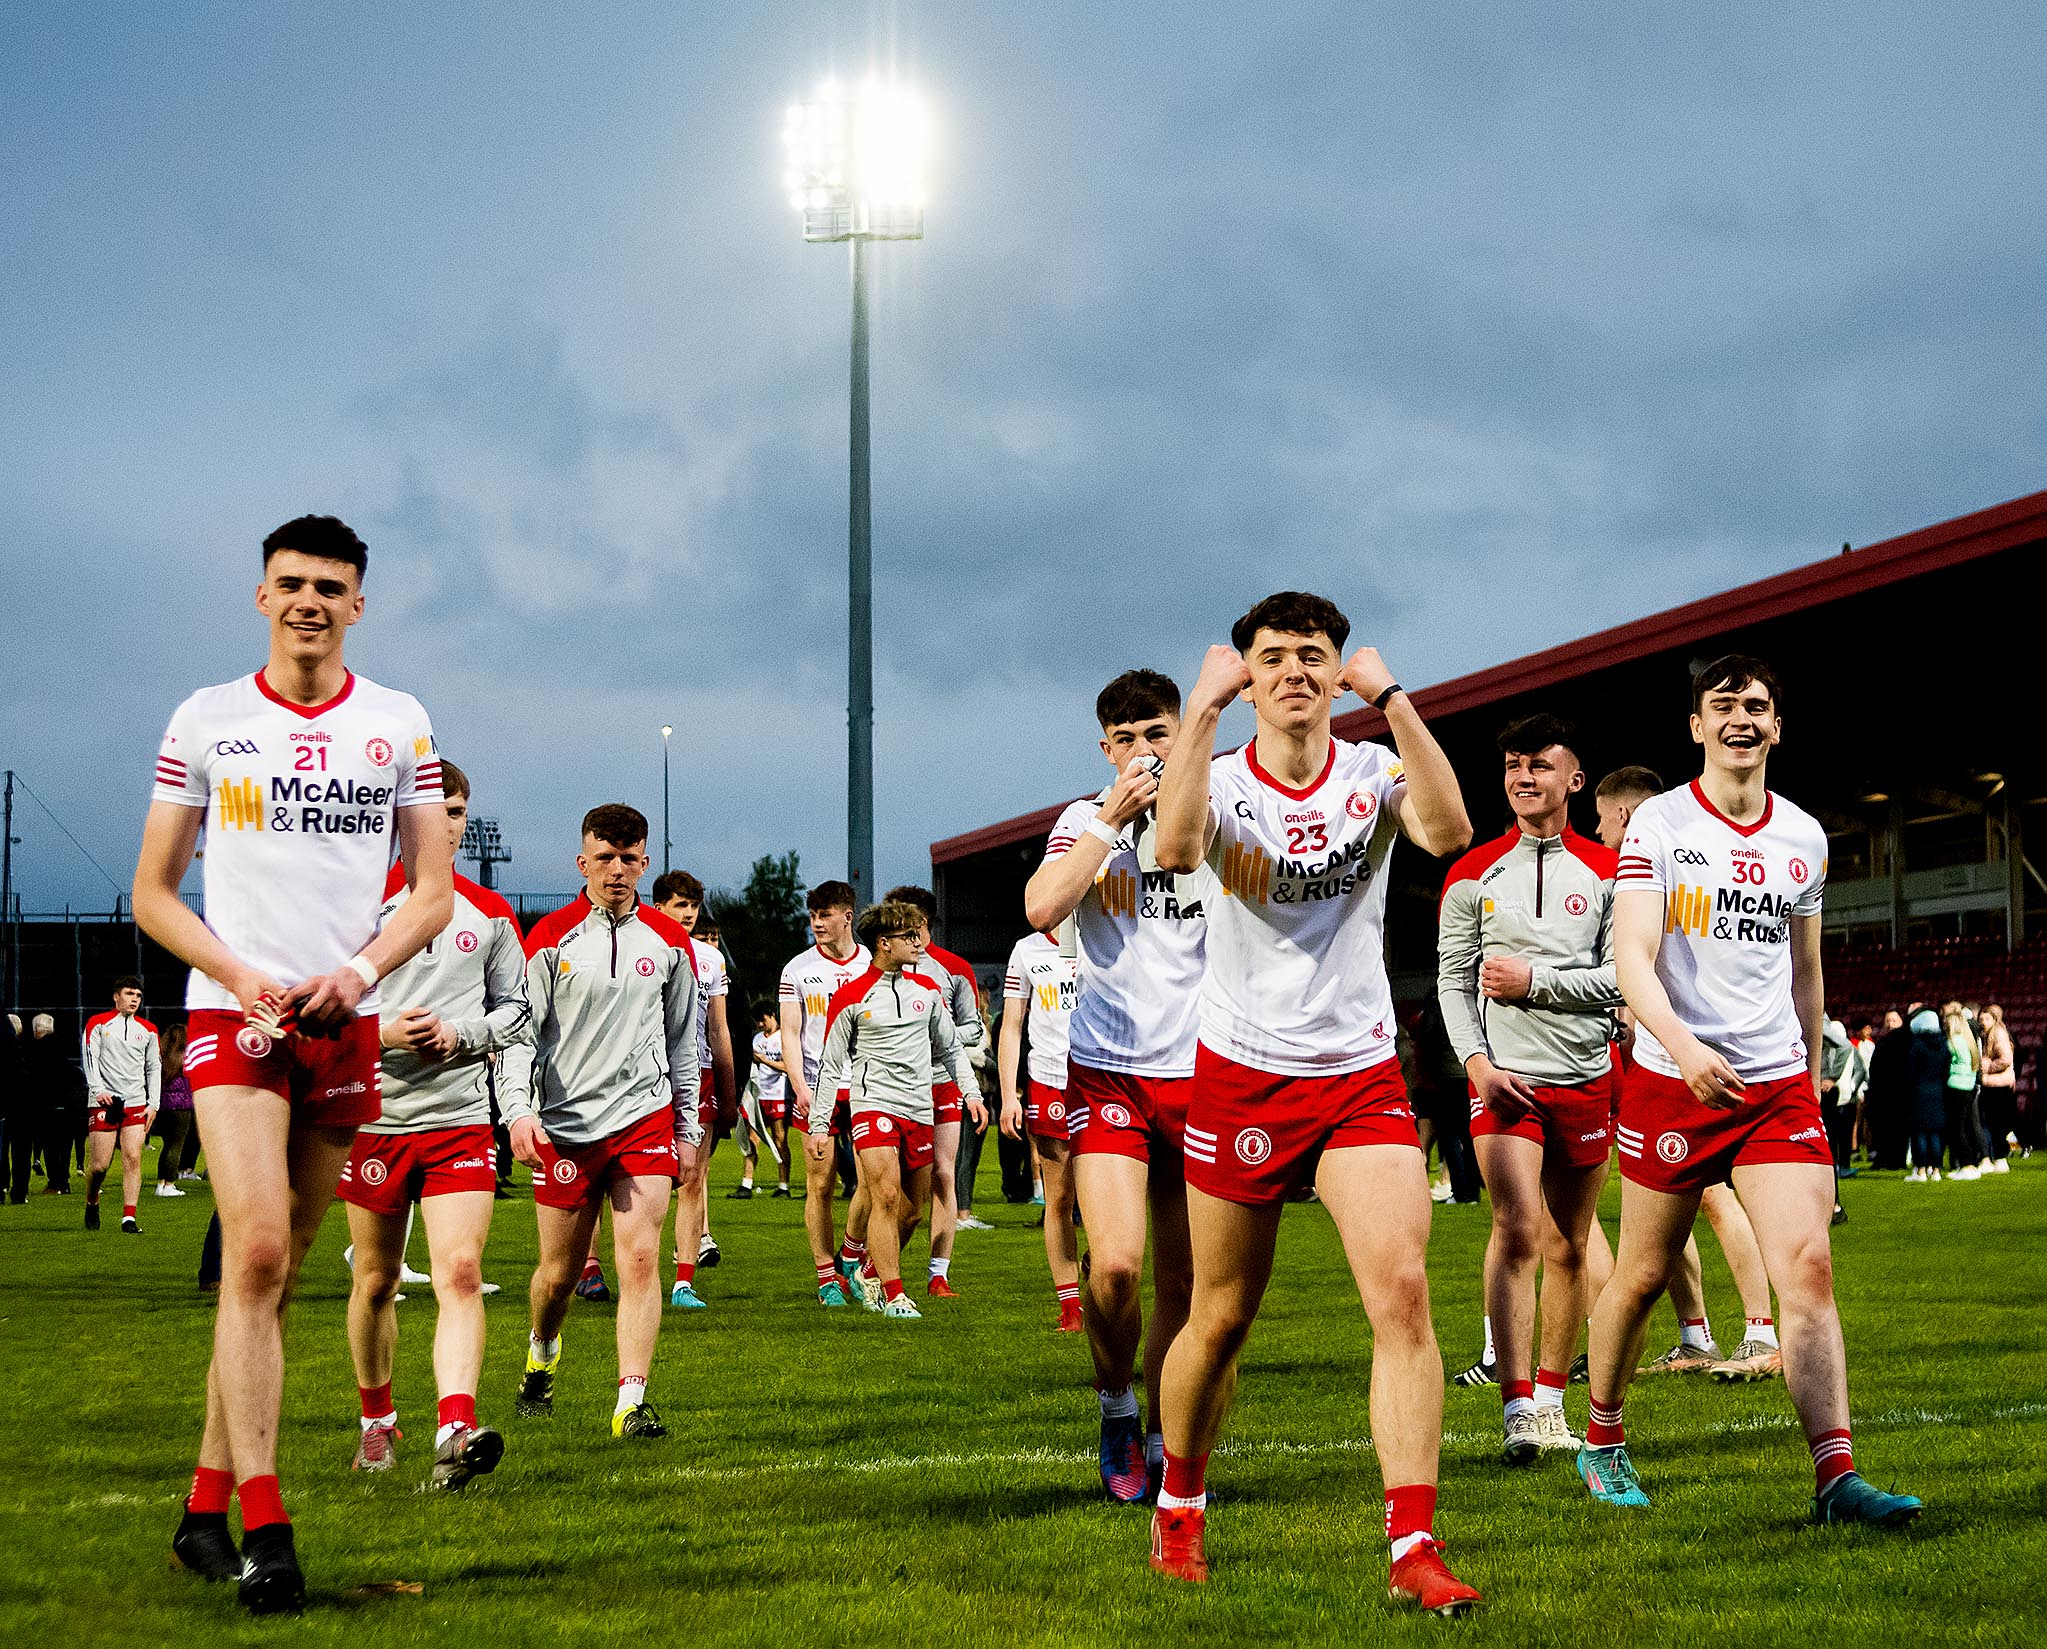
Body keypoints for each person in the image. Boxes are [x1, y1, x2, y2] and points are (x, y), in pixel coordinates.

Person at [134, 513, 454, 1612]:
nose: (309, 599)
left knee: (272, 1274)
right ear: (260, 596)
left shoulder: (398, 722)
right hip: (236, 1016)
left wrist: (358, 974)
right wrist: (238, 971)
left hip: (342, 1020)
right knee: (258, 1248)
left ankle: (201, 1504)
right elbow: (154, 892)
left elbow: (430, 892)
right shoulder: (207, 719)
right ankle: (268, 1525)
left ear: (358, 602)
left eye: (330, 585)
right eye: (290, 583)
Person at [1148, 592, 1481, 1612]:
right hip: (1242, 1069)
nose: (1295, 670)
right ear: (1245, 674)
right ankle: (1180, 1502)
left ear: (1339, 673)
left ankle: (1412, 1545)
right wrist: (1200, 711)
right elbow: (1170, 849)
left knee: (1405, 1295)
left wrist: (1393, 697)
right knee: (1220, 1314)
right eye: (1273, 656)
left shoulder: (1372, 769)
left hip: (1357, 1074)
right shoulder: (1220, 775)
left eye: (1315, 656)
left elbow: (1451, 829)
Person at [1580, 653, 1919, 1527]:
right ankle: (1602, 1435)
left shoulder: (1803, 835)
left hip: (1775, 1090)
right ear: (1695, 726)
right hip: (1670, 1081)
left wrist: (1806, 1084)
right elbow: (1631, 958)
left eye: (1757, 706)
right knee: (1645, 1273)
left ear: (1776, 727)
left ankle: (1836, 1477)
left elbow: (1806, 974)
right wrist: (1683, 1046)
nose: (1741, 717)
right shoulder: (1656, 825)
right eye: (1722, 704)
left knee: (1807, 1269)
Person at [1022, 667, 1212, 1504]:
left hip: (1207, 1072)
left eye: (1157, 734)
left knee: (1182, 1283)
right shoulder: (1081, 820)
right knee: (1118, 1271)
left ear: (1184, 734)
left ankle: (1169, 1438)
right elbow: (1039, 907)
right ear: (1106, 749)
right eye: (1126, 739)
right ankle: (1114, 1405)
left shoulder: (1221, 805)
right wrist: (1107, 820)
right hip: (1110, 1072)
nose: (1144, 751)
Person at [337, 759, 531, 1489]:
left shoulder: (490, 913)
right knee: (378, 1278)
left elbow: (516, 1012)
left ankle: (454, 1426)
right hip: (374, 1121)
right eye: (428, 809)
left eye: (454, 810)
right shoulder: (353, 910)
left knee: (460, 1271)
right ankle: (376, 1421)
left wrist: (463, 1037)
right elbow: (316, 1011)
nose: (442, 822)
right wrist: (381, 1033)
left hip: (458, 1120)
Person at [1437, 715, 1619, 1466]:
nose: (1522, 777)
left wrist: (1535, 982)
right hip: (1503, 1083)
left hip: (1583, 1077)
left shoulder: (1612, 871)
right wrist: (1476, 1064)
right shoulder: (1470, 872)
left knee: (1568, 1246)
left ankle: (1550, 1399)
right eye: (1513, 765)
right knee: (1515, 1227)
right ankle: (1516, 1407)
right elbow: (1452, 980)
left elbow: (1624, 979)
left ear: (1573, 779)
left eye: (1539, 765)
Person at [505, 804, 700, 1440]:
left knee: (641, 1257)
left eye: (629, 859)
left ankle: (630, 1402)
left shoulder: (671, 944)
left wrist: (689, 1128)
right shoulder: (548, 939)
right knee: (558, 1277)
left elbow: (682, 1043)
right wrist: (520, 1111)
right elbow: (519, 1036)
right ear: (582, 862)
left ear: (645, 863)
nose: (617, 871)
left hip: (645, 1116)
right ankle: (542, 1351)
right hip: (565, 1126)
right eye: (605, 858)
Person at [812, 901, 981, 1319]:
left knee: (912, 1215)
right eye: (908, 936)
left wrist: (972, 1093)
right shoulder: (851, 996)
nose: (917, 941)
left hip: (919, 1109)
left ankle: (865, 1268)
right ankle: (894, 1293)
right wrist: (820, 1124)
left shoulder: (927, 993)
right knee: (884, 1194)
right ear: (883, 944)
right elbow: (831, 1066)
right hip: (873, 1105)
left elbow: (953, 1050)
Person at [884, 883, 988, 1297]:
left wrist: (936, 1033)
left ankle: (937, 1273)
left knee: (944, 1174)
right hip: (891, 1086)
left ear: (921, 923)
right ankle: (863, 1258)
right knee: (890, 1184)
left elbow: (974, 1029)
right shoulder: (879, 965)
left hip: (941, 1082)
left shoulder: (953, 969)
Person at [778, 881, 872, 1305]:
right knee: (821, 1184)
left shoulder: (873, 962)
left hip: (869, 1086)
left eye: (826, 914)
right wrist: (800, 1086)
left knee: (875, 1182)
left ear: (847, 916)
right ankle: (826, 1277)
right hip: (819, 1089)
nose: (817, 922)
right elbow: (792, 1034)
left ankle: (851, 1253)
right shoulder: (797, 969)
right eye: (813, 915)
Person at [650, 871, 736, 1309]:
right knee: (638, 1181)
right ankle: (627, 1268)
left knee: (692, 1177)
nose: (687, 914)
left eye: (693, 906)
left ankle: (684, 1280)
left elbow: (718, 1028)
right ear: (659, 905)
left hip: (698, 1075)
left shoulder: (710, 959)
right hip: (645, 1076)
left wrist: (729, 1089)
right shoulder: (642, 943)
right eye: (679, 904)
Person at [999, 925, 1082, 1330]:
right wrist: (1009, 1096)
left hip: (1101, 1077)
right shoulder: (1027, 949)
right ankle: (1070, 1306)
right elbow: (1011, 1025)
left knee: (1105, 1196)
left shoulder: (1104, 932)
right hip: (1049, 1081)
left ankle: (1104, 1269)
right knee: (1060, 1197)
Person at [82, 977, 161, 1233]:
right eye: (129, 993)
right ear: (117, 997)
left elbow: (154, 1067)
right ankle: (92, 1199)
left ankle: (129, 1218)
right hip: (104, 1101)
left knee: (133, 1158)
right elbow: (90, 1057)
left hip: (136, 1102)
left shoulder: (148, 1030)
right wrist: (98, 1090)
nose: (134, 998)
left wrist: (154, 1103)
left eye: (138, 994)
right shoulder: (98, 1023)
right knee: (99, 1166)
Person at [737, 1000, 793, 1198]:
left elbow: (788, 1066)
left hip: (778, 1094)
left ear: (771, 1015)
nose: (760, 1025)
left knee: (780, 1139)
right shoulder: (757, 1039)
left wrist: (765, 1060)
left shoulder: (784, 1038)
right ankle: (746, 1184)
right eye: (757, 1022)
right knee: (752, 1139)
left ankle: (783, 1186)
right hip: (759, 1094)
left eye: (763, 1020)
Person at [1903, 1005, 1950, 1181]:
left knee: (1920, 1132)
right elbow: (1946, 1068)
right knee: (1936, 1132)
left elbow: (1910, 1071)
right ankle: (1936, 1169)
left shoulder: (1917, 1045)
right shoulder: (1943, 1044)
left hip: (1919, 1092)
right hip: (1938, 1091)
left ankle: (1921, 1169)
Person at [1940, 1001, 1986, 1180]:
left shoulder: (1953, 1042)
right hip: (1968, 1086)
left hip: (1956, 1087)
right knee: (1966, 1126)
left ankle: (1965, 1165)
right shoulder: (1968, 1041)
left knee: (1958, 1129)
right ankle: (1971, 1164)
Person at [155, 1023, 196, 1196]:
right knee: (176, 1146)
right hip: (181, 1106)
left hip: (162, 1105)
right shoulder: (186, 1057)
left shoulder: (161, 1057)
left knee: (166, 1146)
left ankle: (160, 1184)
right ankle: (170, 1185)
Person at [1979, 1004, 2016, 1171]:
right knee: (1994, 1123)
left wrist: (1988, 1067)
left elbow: (2005, 1059)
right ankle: (1998, 1158)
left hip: (1998, 1084)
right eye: (1981, 1019)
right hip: (1994, 1084)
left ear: (1994, 1020)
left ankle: (2001, 1158)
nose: (1983, 1022)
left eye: (1986, 1019)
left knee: (1997, 1123)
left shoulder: (1998, 1035)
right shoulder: (1989, 1035)